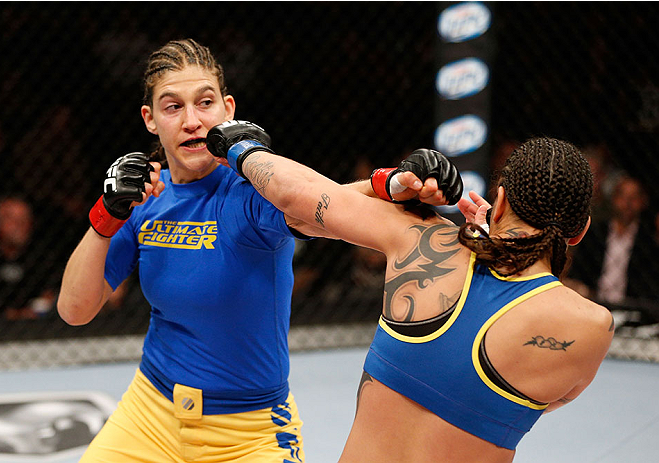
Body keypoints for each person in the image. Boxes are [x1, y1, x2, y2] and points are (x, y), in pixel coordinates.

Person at [56, 38, 437, 462]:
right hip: (150, 413)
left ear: (228, 110)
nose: (192, 121)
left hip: (248, 432)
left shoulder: (248, 193)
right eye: (172, 107)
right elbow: (74, 310)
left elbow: (320, 204)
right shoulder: (144, 198)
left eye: (205, 103)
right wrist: (106, 214)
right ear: (150, 119)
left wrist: (391, 183)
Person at [207, 124, 615, 463]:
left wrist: (241, 147)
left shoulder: (420, 239)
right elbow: (540, 400)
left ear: (501, 198)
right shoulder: (592, 327)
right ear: (580, 231)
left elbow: (294, 196)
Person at [565, 174, 659, 327]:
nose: (628, 203)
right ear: (614, 198)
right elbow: (579, 272)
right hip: (593, 304)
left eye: (634, 197)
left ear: (643, 202)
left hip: (635, 313)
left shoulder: (649, 241)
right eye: (623, 195)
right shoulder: (595, 234)